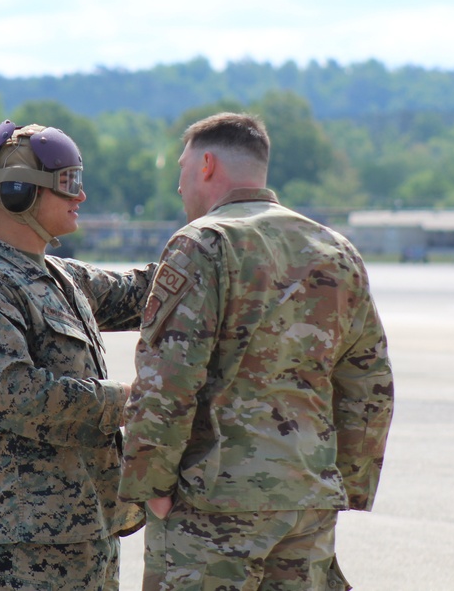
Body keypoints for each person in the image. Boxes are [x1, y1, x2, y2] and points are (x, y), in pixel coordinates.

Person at [119, 112, 394, 591]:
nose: (180, 188)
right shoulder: (335, 249)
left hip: (214, 502)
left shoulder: (203, 242)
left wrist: (152, 486)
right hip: (306, 499)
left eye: (182, 171)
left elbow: (169, 378)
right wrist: (342, 482)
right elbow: (369, 381)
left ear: (207, 165)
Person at [0, 120, 155, 590]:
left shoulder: (59, 276)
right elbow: (15, 396)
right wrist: (129, 400)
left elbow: (142, 294)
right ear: (19, 194)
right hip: (26, 543)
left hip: (87, 527)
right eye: (69, 184)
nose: (81, 196)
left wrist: (211, 252)